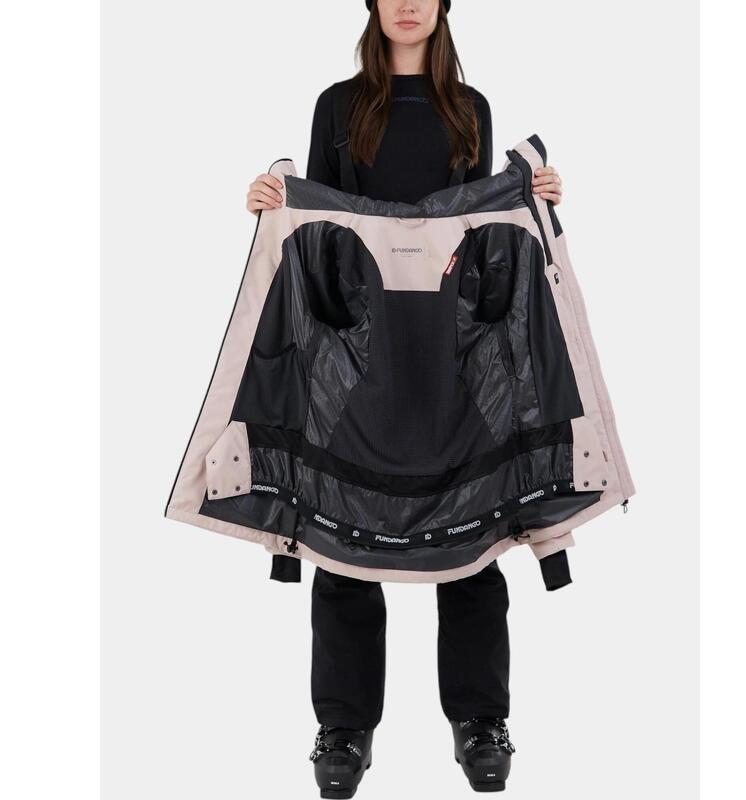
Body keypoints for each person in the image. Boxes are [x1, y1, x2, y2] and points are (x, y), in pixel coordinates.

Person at [246, 2, 564, 796]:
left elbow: (481, 231)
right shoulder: (338, 106)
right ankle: (344, 729)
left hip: (449, 348)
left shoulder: (469, 108)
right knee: (344, 538)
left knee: (472, 535)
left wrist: (532, 201)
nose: (408, 3)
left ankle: (480, 718)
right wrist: (272, 201)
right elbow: (318, 224)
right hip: (358, 348)